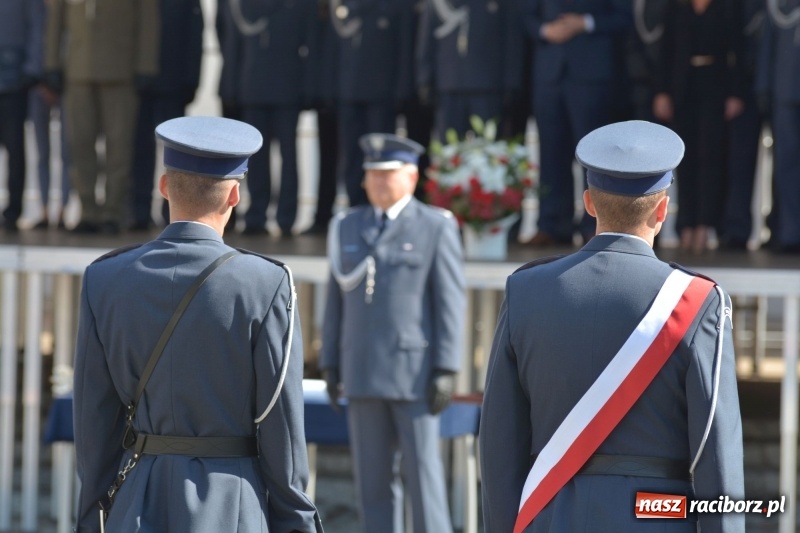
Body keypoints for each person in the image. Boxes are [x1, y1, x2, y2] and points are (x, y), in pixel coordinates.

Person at [480, 120, 744, 533]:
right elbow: (717, 454)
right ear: (663, 210)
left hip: (550, 516)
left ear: (588, 202)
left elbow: (498, 444)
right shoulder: (696, 302)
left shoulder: (526, 290)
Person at [72, 116, 323, 533]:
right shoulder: (266, 283)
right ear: (235, 195)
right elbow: (280, 425)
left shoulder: (104, 278)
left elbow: (94, 422)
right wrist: (296, 522)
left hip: (135, 500)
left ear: (164, 187)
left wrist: (91, 519)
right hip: (232, 502)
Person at [319, 133, 465, 532]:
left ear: (412, 177)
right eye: (372, 174)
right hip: (361, 369)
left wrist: (447, 368)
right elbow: (335, 301)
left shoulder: (435, 227)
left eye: (388, 174)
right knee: (372, 484)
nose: (378, 182)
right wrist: (331, 362)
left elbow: (450, 302)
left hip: (413, 374)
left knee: (424, 480)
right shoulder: (347, 226)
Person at [44, 0, 160, 234]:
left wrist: (146, 66)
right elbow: (55, 20)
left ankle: (112, 213)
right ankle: (88, 211)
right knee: (79, 145)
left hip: (121, 73)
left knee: (119, 148)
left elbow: (149, 21)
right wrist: (52, 63)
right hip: (77, 73)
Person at [523, 0, 631, 247]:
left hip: (592, 76)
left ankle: (594, 225)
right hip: (549, 77)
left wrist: (585, 23)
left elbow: (624, 18)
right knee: (550, 154)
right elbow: (525, 16)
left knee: (594, 157)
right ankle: (551, 224)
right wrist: (545, 30)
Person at [653, 0, 744, 253]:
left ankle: (705, 225)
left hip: (715, 87)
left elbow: (738, 48)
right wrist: (662, 91)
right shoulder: (675, 7)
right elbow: (666, 49)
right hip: (682, 88)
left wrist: (736, 92)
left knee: (710, 156)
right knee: (684, 158)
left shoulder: (726, 7)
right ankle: (686, 225)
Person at [129, 0, 204, 231]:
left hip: (174, 84)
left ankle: (171, 212)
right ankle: (138, 212)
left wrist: (192, 81)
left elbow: (195, 37)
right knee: (140, 151)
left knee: (174, 157)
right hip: (140, 85)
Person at [0, 0, 44, 232]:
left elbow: (37, 26)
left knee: (15, 148)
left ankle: (12, 212)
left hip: (14, 80)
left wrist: (32, 69)